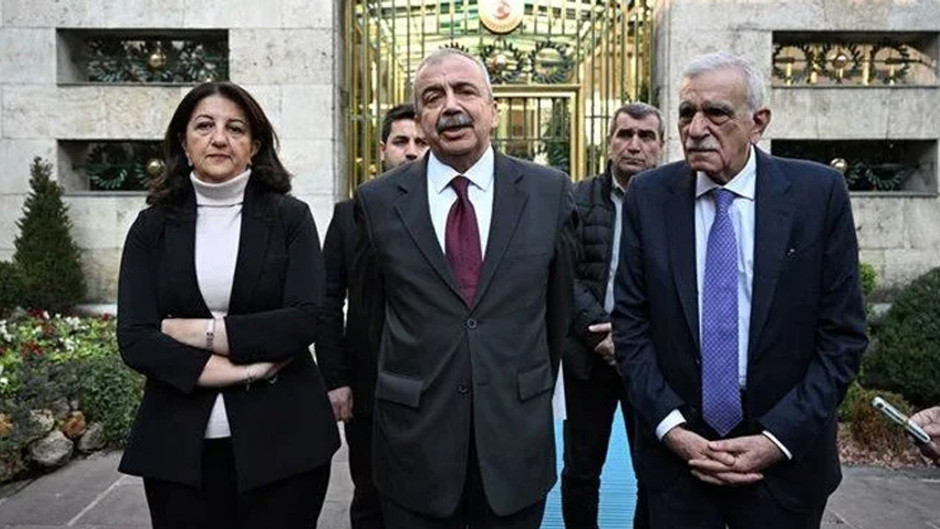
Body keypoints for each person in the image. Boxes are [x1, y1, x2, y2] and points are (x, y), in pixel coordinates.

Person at [611, 52, 868, 529]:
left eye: (716, 112)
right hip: (678, 461)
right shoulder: (649, 196)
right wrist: (673, 431)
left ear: (758, 123)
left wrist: (777, 439)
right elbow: (631, 327)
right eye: (686, 113)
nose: (696, 128)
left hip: (786, 462)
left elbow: (842, 336)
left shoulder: (818, 195)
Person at [354, 47, 577, 529]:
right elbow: (372, 320)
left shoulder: (550, 192)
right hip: (414, 447)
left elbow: (557, 313)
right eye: (433, 96)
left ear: (492, 110)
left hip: (515, 441)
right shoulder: (376, 201)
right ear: (421, 118)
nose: (450, 106)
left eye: (465, 91)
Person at [116, 81, 339, 529]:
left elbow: (305, 319)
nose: (219, 138)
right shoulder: (151, 227)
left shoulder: (290, 218)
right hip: (180, 447)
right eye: (205, 126)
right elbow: (136, 339)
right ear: (184, 142)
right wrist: (246, 371)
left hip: (287, 444)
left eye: (235, 128)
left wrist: (198, 332)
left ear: (254, 146)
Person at [318, 102, 428, 529]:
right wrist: (335, 379)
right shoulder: (348, 215)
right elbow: (327, 302)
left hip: (434, 386)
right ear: (383, 149)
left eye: (421, 142)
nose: (411, 151)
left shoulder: (449, 215)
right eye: (401, 141)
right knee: (370, 496)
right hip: (368, 387)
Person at [562, 102, 663, 529]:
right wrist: (600, 334)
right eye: (625, 135)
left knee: (652, 473)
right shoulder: (575, 198)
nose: (634, 145)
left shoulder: (674, 203)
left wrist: (633, 339)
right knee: (581, 470)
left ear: (660, 146)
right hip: (588, 357)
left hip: (650, 360)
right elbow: (562, 273)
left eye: (646, 136)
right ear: (609, 143)